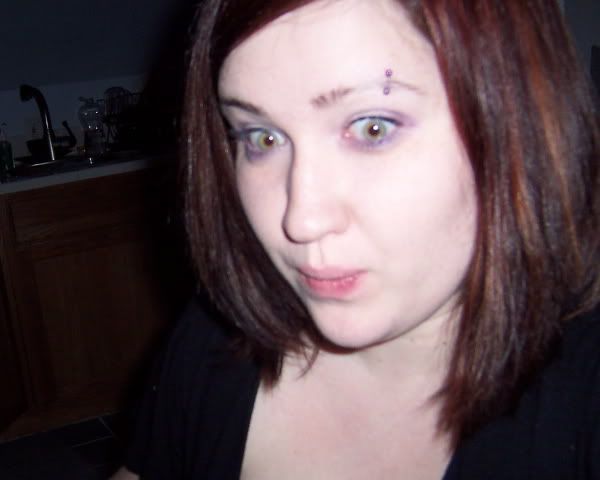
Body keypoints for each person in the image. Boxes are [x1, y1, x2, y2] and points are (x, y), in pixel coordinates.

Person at [111, 0, 599, 478]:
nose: (302, 220)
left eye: (372, 127)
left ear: (514, 127)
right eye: (261, 137)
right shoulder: (216, 341)